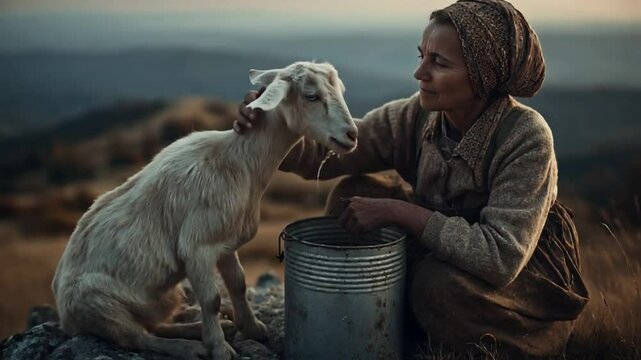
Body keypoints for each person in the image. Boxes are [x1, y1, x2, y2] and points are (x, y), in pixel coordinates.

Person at [235, 0, 589, 357]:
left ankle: (526, 346)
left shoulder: (526, 137)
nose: (420, 73)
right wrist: (270, 127)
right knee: (352, 195)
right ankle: (385, 320)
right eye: (422, 56)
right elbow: (328, 155)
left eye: (438, 63)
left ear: (482, 76)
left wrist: (397, 211)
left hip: (517, 284)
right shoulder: (416, 117)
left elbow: (499, 258)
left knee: (438, 287)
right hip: (443, 254)